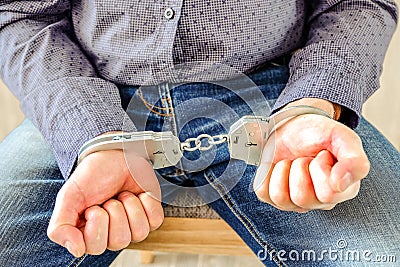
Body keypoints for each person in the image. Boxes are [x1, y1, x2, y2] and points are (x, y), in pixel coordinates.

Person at [0, 1, 399, 266]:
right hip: (84, 97)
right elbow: (18, 14)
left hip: (279, 94)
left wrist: (313, 101)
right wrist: (88, 132)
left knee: (382, 256)